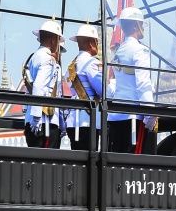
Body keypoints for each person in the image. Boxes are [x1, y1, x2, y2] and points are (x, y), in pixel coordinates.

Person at [107, 7, 156, 154]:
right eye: (141, 24)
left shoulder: (119, 50)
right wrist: (150, 113)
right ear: (136, 25)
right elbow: (143, 83)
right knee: (133, 163)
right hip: (133, 116)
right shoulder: (140, 50)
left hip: (116, 115)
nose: (143, 28)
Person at [65, 23, 112, 150]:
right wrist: (112, 83)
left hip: (73, 121)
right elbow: (105, 91)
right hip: (88, 121)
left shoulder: (71, 65)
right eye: (97, 42)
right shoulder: (92, 63)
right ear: (91, 43)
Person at [22, 18, 64, 148]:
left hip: (33, 119)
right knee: (49, 165)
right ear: (53, 40)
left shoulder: (33, 57)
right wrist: (36, 117)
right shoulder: (47, 59)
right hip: (44, 122)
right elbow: (39, 87)